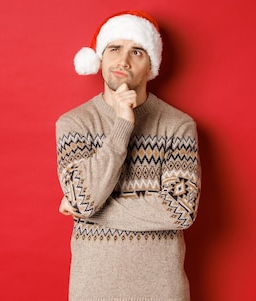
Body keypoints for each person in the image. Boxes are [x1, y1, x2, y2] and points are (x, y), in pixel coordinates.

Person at [55, 10, 201, 300]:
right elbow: (84, 199)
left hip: (162, 291)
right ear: (100, 58)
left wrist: (90, 210)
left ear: (150, 66)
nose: (123, 60)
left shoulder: (178, 125)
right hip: (93, 290)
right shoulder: (73, 124)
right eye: (114, 49)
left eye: (136, 51)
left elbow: (180, 211)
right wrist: (122, 125)